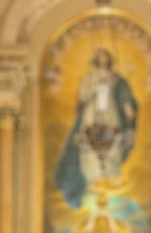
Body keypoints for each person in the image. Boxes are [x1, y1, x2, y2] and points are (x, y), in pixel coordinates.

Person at [55, 48, 138, 209]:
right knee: (90, 143)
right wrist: (95, 87)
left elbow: (125, 95)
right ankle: (92, 176)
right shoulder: (89, 77)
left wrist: (128, 106)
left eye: (105, 57)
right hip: (92, 113)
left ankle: (111, 172)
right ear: (96, 59)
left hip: (111, 113)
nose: (103, 60)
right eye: (100, 57)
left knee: (114, 140)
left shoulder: (116, 78)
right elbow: (82, 96)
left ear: (109, 59)